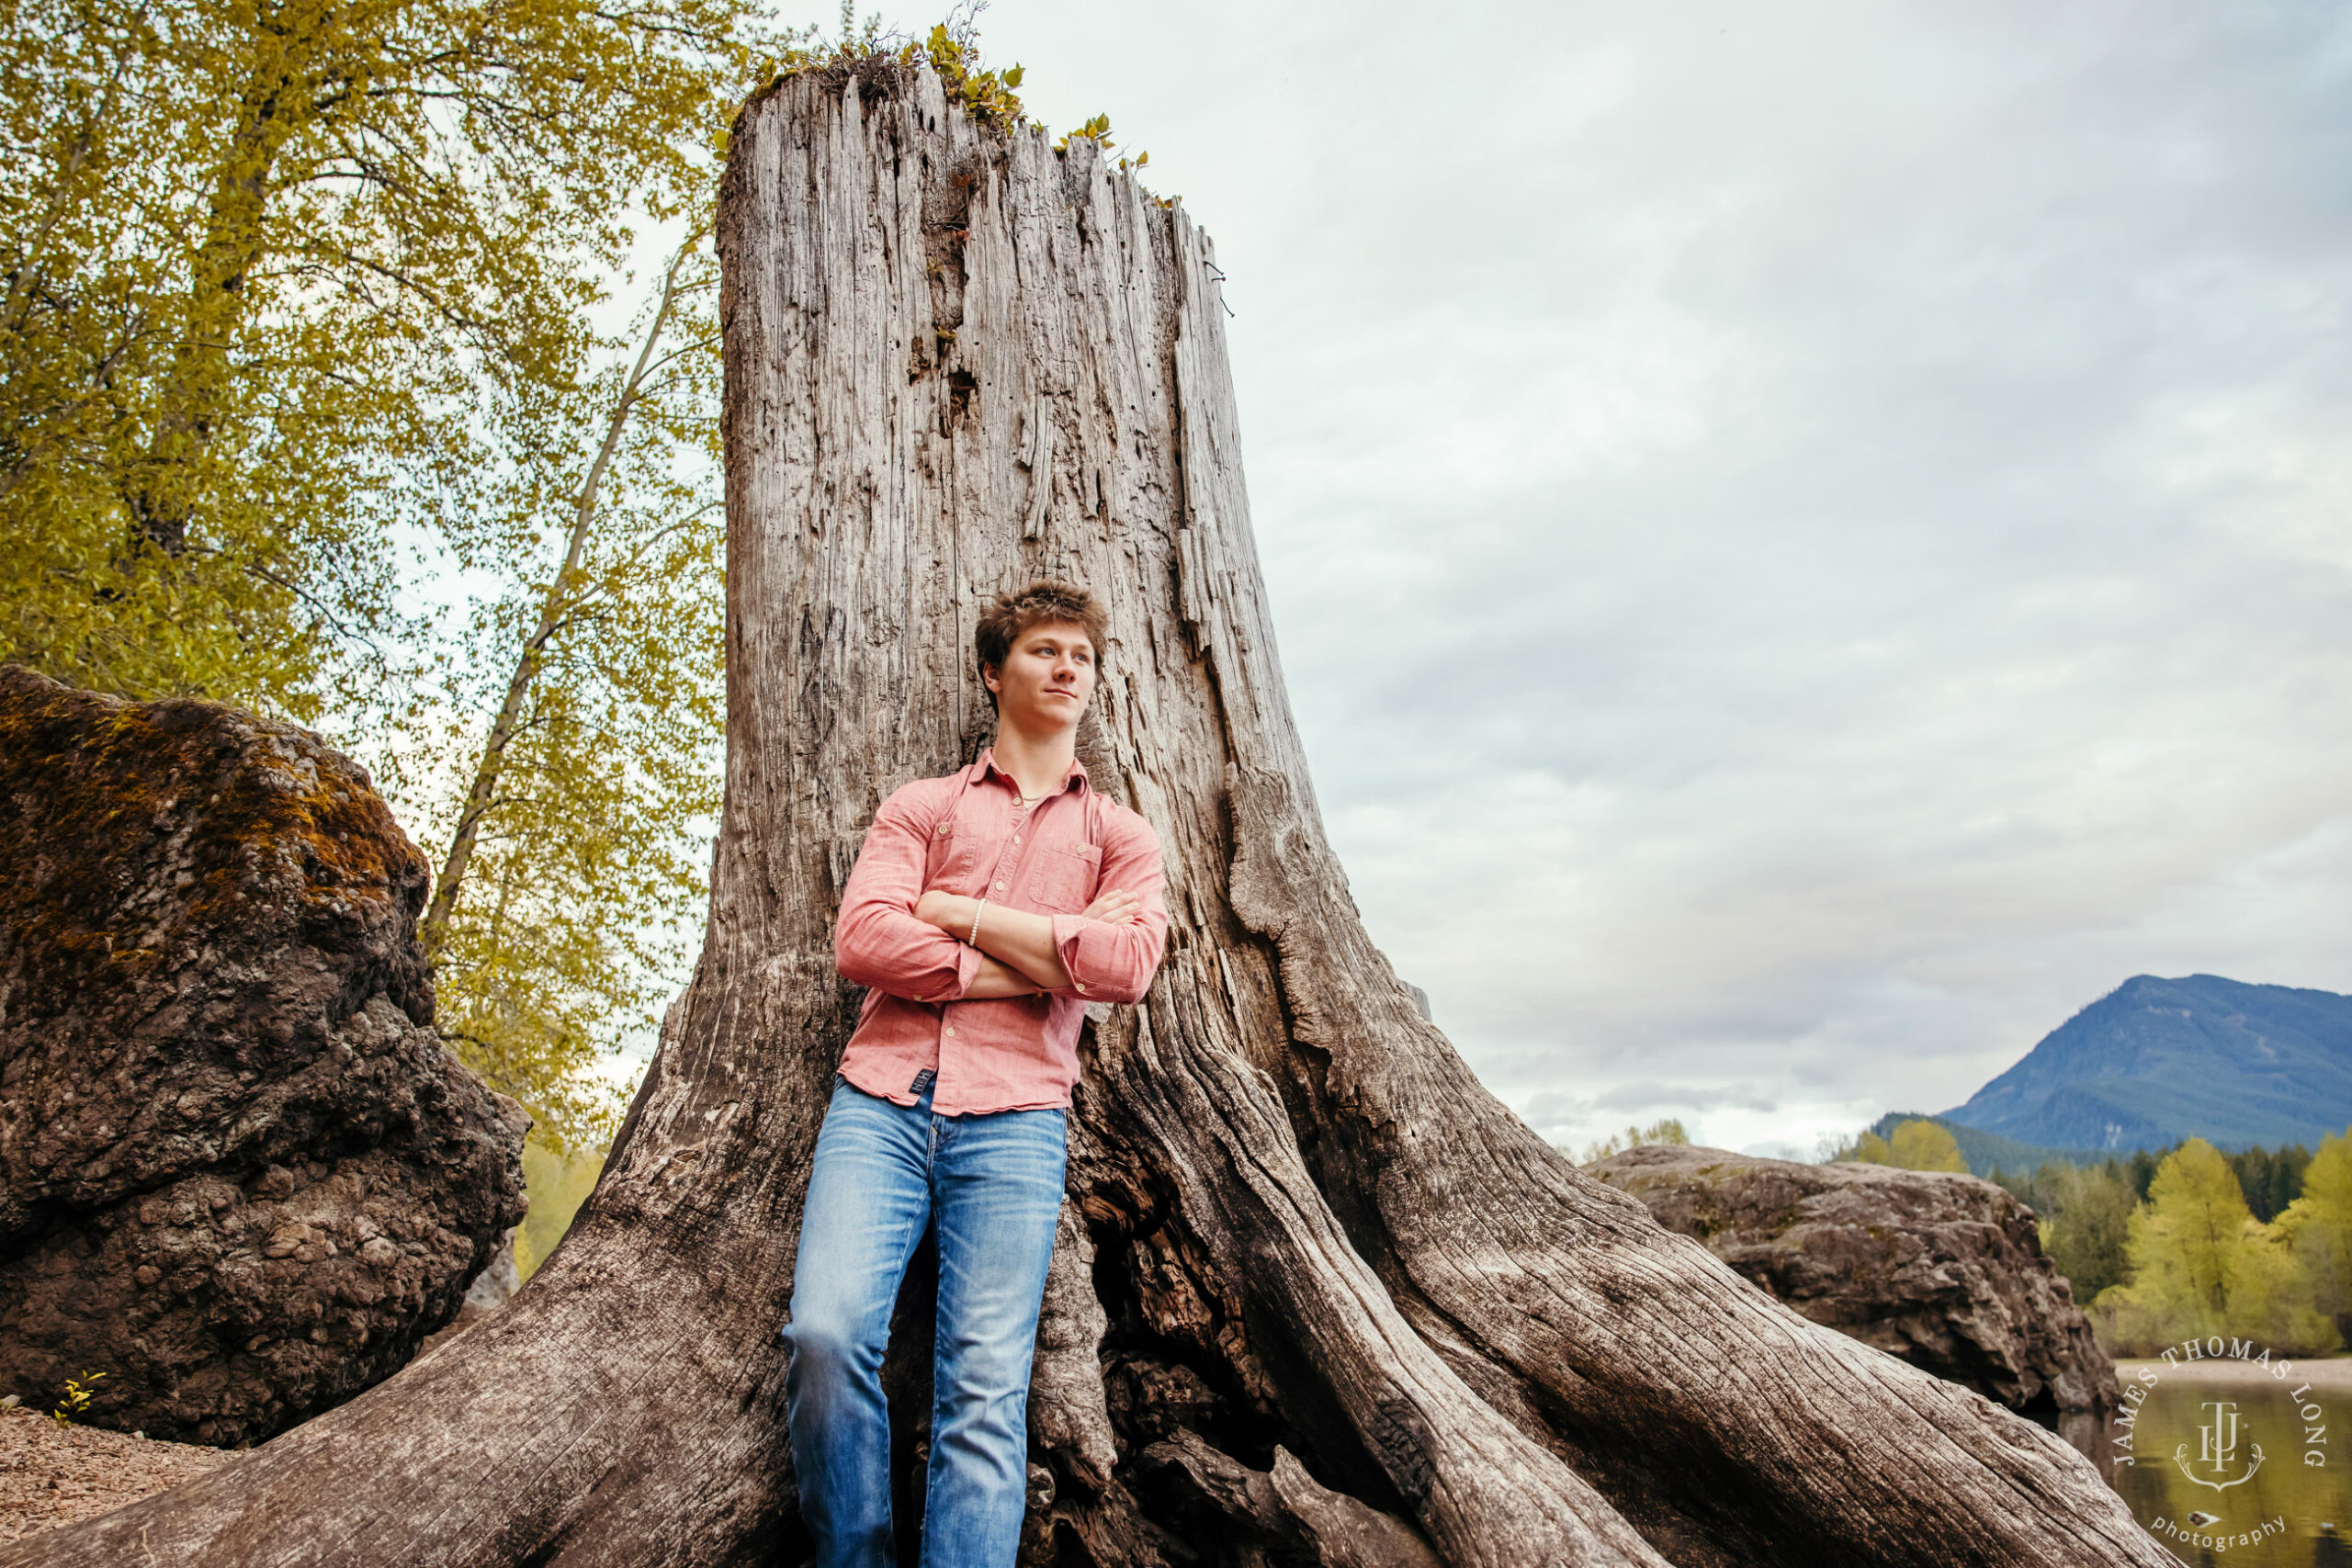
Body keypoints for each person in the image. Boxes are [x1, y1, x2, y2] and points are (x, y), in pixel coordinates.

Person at [783, 580, 1169, 1568]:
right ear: (994, 673)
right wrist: (1036, 962)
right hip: (879, 1105)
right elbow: (865, 939)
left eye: (1080, 654)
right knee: (825, 1339)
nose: (1067, 667)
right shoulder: (921, 808)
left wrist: (957, 916)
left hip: (1017, 1120)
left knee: (985, 1389)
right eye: (1044, 650)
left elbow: (1127, 967)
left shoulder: (1118, 836)